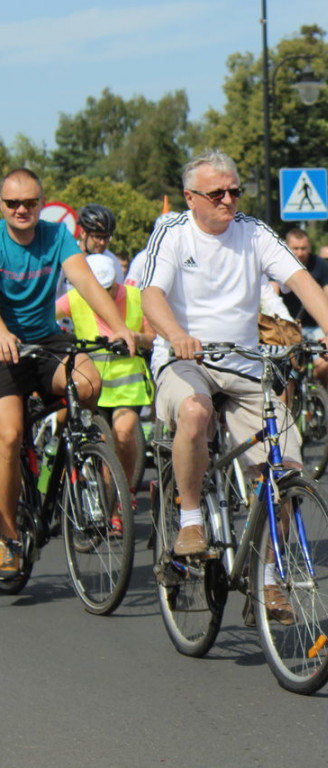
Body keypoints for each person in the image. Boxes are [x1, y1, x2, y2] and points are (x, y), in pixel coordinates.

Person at [138, 150, 328, 625]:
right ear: (191, 197)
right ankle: (191, 521)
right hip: (185, 358)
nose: (229, 200)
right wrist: (175, 336)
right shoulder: (172, 231)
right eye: (217, 193)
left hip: (245, 364)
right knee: (194, 413)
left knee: (288, 472)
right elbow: (151, 294)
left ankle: (270, 582)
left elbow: (298, 279)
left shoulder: (253, 231)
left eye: (235, 190)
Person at [0, 168, 137, 574]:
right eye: (12, 203)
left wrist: (119, 327)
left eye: (30, 202)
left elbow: (85, 281)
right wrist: (2, 332)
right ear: (2, 205)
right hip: (5, 347)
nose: (21, 209)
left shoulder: (56, 236)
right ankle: (6, 538)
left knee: (89, 381)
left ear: (42, 203)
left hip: (44, 342)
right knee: (7, 437)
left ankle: (67, 449)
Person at [55, 253, 156, 495]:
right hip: (90, 384)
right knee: (98, 440)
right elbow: (46, 316)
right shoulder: (76, 297)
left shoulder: (135, 297)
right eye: (99, 290)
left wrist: (136, 338)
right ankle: (96, 493)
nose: (105, 296)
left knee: (122, 435)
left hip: (126, 387)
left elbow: (153, 338)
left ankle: (125, 495)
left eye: (110, 289)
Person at [277, 228, 328, 388]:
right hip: (288, 326)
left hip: (316, 325)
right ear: (287, 247)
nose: (300, 252)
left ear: (309, 247)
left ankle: (324, 400)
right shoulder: (278, 264)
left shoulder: (321, 265)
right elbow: (271, 296)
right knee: (287, 374)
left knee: (323, 365)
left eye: (304, 248)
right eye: (295, 248)